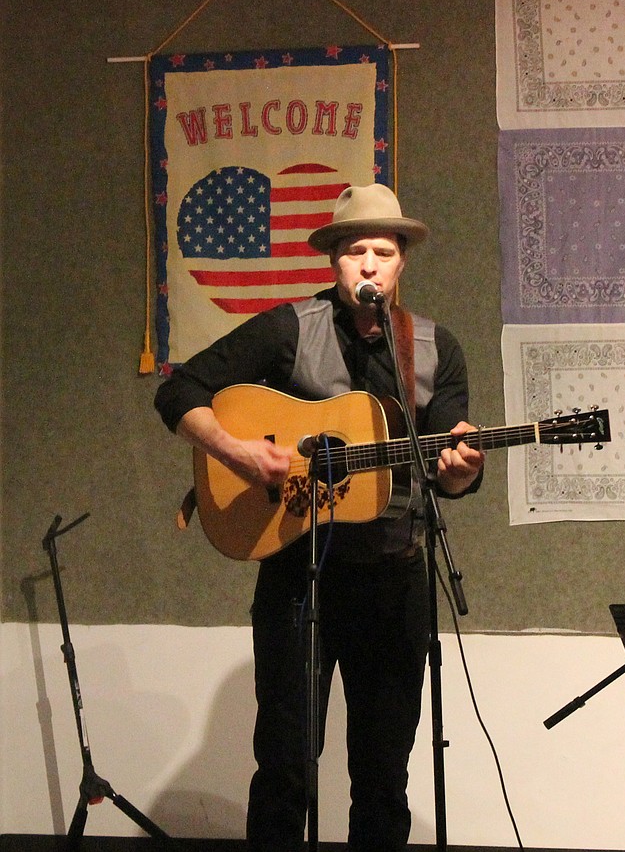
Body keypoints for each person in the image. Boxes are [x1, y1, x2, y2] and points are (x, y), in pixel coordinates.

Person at [155, 183, 484, 852]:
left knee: (383, 777)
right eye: (355, 250)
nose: (369, 264)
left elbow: (453, 457)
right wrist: (235, 450)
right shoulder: (287, 329)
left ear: (401, 265)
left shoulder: (434, 347)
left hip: (395, 580)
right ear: (333, 261)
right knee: (284, 770)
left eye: (383, 252)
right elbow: (179, 388)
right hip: (299, 582)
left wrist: (465, 469)